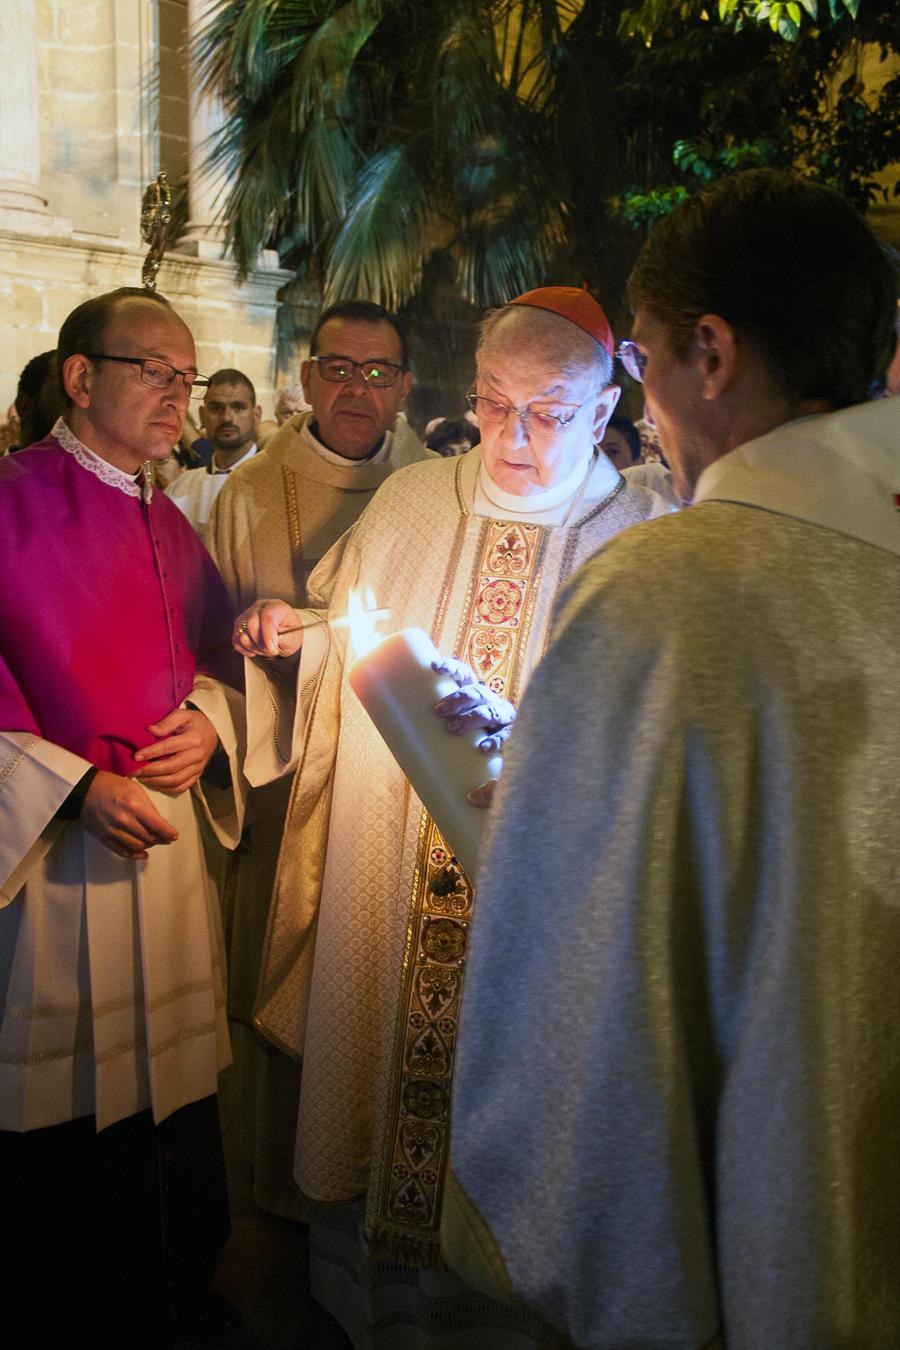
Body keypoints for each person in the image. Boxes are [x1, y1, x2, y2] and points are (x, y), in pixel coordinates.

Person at [443, 171, 900, 1350]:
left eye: (639, 367)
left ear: (713, 351)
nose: (645, 410)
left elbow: (582, 1010)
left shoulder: (667, 590)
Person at [233, 286, 672, 1348]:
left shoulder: (648, 533)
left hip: (552, 910)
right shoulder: (416, 501)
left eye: (550, 411)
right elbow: (362, 628)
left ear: (608, 401)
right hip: (396, 874)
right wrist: (309, 635)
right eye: (494, 404)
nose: (515, 437)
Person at [0, 285, 246, 1349]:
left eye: (186, 379)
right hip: (54, 873)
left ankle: (175, 1306)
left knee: (176, 1129)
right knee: (62, 1157)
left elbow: (220, 658)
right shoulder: (7, 504)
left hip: (167, 867)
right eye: (156, 370)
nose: (177, 397)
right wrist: (69, 788)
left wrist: (210, 721)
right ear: (81, 376)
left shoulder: (169, 518)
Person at [206, 298, 429, 1222]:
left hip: (394, 793)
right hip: (282, 789)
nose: (358, 391)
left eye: (379, 374)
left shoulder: (439, 488)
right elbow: (208, 662)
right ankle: (267, 1211)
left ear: (406, 388)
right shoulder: (252, 492)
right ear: (304, 379)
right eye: (340, 369)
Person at [166, 367, 261, 542]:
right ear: (202, 416)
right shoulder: (180, 487)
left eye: (238, 407)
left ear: (256, 416)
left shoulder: (273, 483)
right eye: (216, 408)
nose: (227, 418)